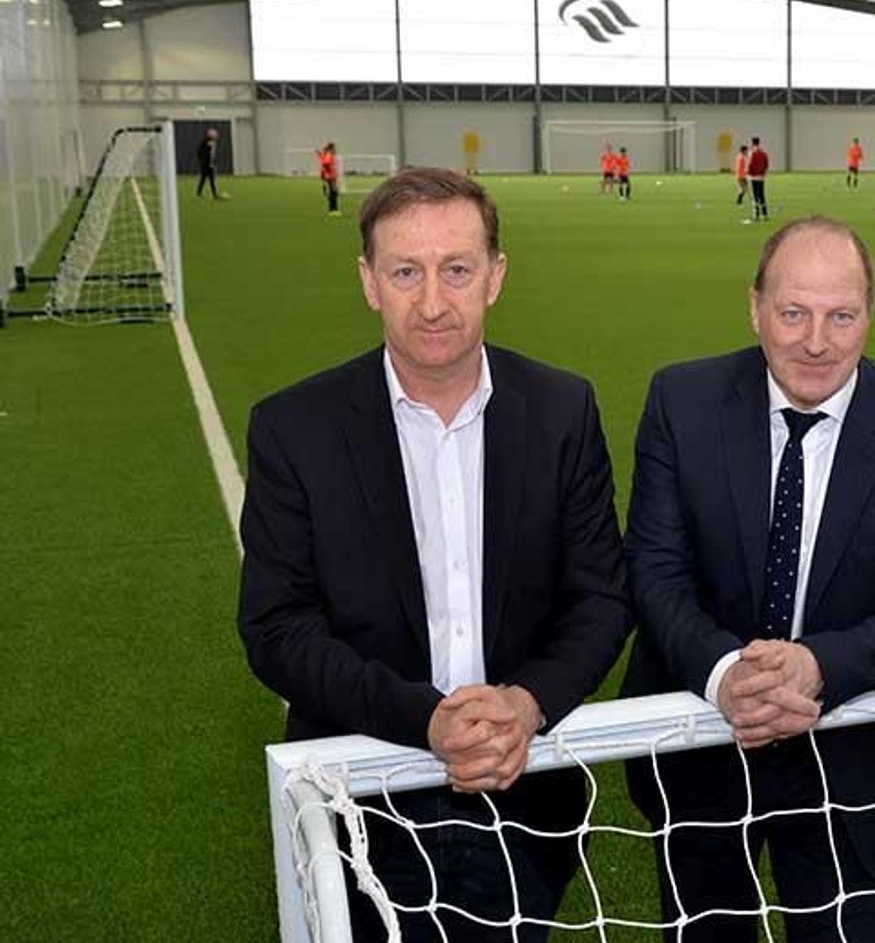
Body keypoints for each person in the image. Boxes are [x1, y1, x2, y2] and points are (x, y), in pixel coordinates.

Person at [238, 167, 630, 943]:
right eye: (405, 271)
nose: (432, 301)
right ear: (368, 282)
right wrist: (425, 720)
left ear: (495, 275)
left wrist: (526, 703)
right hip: (363, 795)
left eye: (456, 269)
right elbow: (277, 628)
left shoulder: (561, 409)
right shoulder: (294, 427)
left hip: (526, 793)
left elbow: (601, 596)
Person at [621, 216, 875, 943]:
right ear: (755, 307)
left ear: (868, 316)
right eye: (794, 313)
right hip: (701, 749)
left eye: (841, 316)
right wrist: (726, 674)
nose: (817, 340)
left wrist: (817, 664)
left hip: (846, 759)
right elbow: (654, 569)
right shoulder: (680, 404)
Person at [746, 136, 769, 221]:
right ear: (759, 142)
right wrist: (763, 172)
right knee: (762, 195)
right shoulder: (763, 153)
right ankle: (765, 214)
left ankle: (756, 214)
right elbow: (766, 164)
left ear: (752, 143)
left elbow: (750, 164)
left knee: (755, 196)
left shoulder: (751, 152)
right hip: (761, 176)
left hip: (753, 176)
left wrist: (748, 173)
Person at [196, 127, 221, 199]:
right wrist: (202, 161)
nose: (216, 136)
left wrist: (213, 162)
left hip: (210, 164)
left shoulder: (213, 142)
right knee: (204, 179)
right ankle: (199, 194)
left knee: (211, 180)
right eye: (215, 135)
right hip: (205, 164)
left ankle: (214, 195)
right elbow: (199, 152)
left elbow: (212, 154)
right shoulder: (206, 142)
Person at [317, 141, 340, 216]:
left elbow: (323, 160)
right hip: (331, 177)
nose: (335, 149)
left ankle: (332, 210)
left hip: (329, 176)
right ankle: (334, 210)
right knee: (334, 193)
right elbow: (326, 163)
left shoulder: (327, 154)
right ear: (331, 148)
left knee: (333, 192)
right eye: (334, 148)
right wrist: (329, 173)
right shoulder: (329, 154)